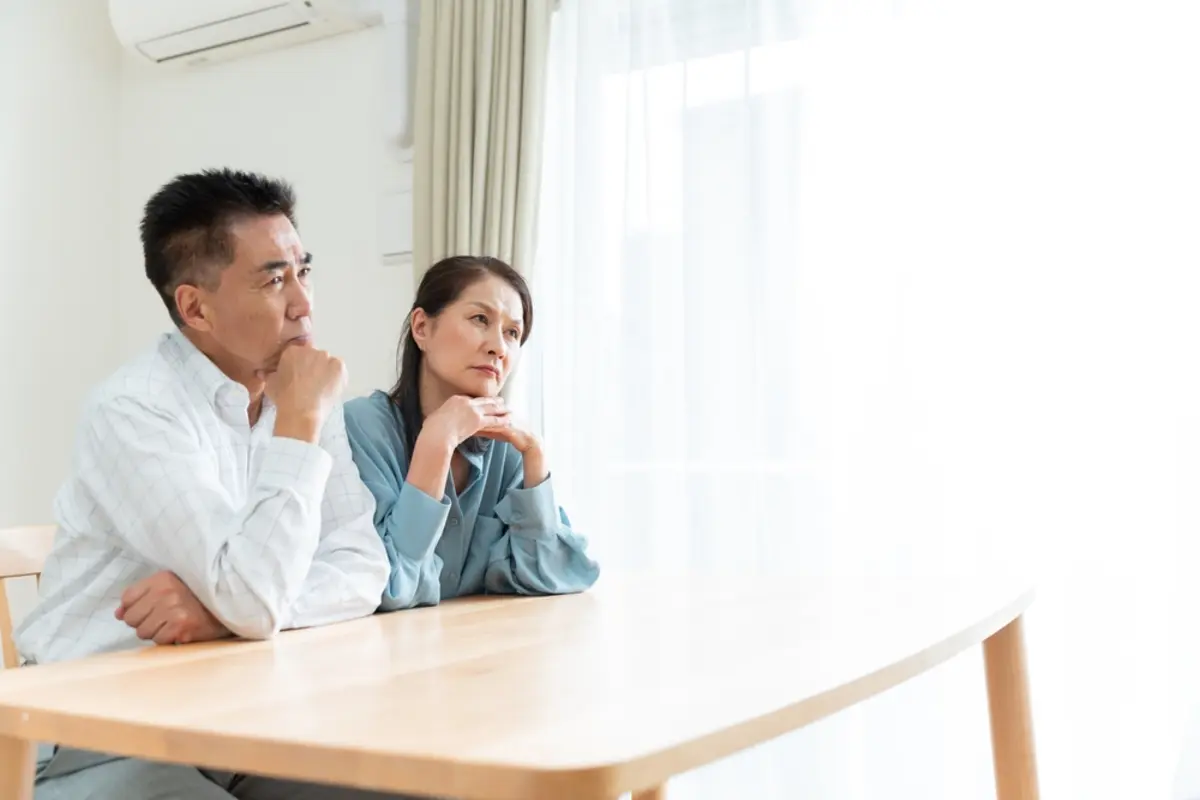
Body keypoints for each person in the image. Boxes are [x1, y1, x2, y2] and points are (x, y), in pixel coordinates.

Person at [18, 168, 405, 800]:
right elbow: (252, 598)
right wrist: (243, 608)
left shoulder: (300, 389)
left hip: (238, 714)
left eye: (303, 271)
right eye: (274, 279)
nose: (303, 302)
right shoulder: (134, 410)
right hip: (97, 730)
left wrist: (223, 615)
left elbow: (362, 566)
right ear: (195, 307)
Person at [343, 256, 600, 610]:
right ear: (422, 328)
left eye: (513, 332)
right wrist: (436, 445)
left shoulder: (508, 449)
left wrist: (536, 455)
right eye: (480, 319)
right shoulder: (361, 427)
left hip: (480, 653)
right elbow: (388, 586)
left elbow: (554, 575)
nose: (498, 347)